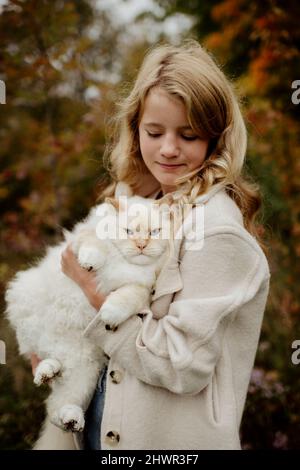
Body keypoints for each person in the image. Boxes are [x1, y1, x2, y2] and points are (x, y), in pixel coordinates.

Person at [32, 39, 270, 450]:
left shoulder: (216, 230)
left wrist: (94, 292)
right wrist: (53, 349)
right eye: (154, 132)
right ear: (135, 128)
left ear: (216, 139)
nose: (169, 149)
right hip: (102, 430)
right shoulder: (145, 203)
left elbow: (182, 366)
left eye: (189, 135)